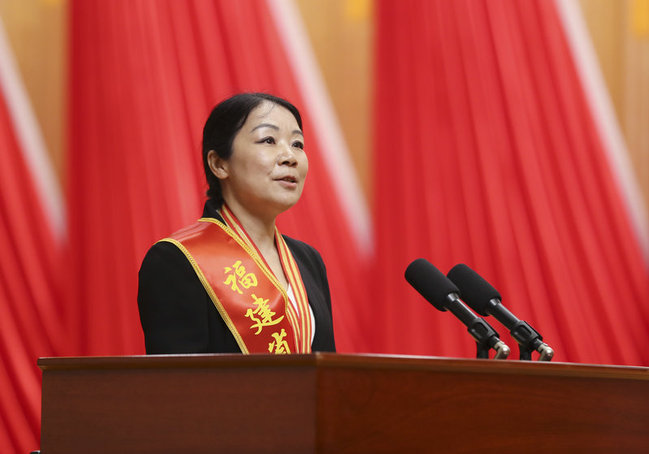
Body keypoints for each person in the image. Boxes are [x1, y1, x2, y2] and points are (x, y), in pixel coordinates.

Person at [138, 93, 335, 354]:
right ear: (219, 164)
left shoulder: (308, 260)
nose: (290, 156)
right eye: (268, 140)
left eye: (297, 144)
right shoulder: (177, 260)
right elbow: (179, 377)